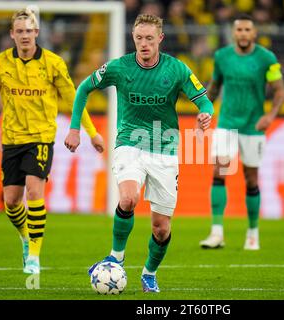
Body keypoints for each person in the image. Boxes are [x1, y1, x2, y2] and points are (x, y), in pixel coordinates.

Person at [64, 14, 213, 293]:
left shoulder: (177, 69)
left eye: (148, 38)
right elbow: (84, 87)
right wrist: (75, 129)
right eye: (138, 38)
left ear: (160, 39)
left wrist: (205, 113)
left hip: (165, 150)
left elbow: (204, 101)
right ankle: (116, 258)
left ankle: (149, 273)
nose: (143, 44)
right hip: (129, 143)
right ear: (133, 38)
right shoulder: (120, 67)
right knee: (128, 198)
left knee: (161, 229)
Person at [0, 8, 104, 274]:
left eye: (29, 31)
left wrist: (90, 132)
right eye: (19, 31)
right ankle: (26, 238)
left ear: (37, 33)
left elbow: (74, 98)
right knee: (11, 201)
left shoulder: (53, 63)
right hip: (11, 138)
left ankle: (34, 255)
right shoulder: (1, 62)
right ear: (12, 34)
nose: (25, 36)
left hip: (41, 138)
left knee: (35, 192)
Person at [199, 14, 284, 250]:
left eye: (248, 29)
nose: (244, 34)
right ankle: (216, 233)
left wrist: (270, 116)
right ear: (234, 33)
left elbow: (279, 91)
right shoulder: (222, 57)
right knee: (219, 173)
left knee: (251, 178)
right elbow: (215, 87)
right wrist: (205, 110)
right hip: (227, 123)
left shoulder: (266, 59)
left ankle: (253, 232)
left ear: (254, 33)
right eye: (240, 30)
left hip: (252, 127)